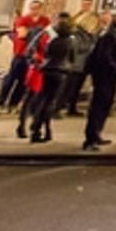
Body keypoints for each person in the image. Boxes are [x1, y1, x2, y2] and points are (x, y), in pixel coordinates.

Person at [83, 8, 116, 151]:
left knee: (105, 106)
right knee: (99, 105)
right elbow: (105, 56)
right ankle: (91, 138)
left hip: (111, 77)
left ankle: (97, 133)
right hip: (104, 77)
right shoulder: (110, 35)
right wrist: (115, 69)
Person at [28, 13, 73, 144]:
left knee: (44, 99)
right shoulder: (69, 42)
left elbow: (46, 54)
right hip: (60, 72)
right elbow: (71, 58)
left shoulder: (53, 41)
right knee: (50, 102)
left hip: (47, 70)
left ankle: (40, 128)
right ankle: (39, 127)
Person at [0, 0, 50, 110]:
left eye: (36, 8)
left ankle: (13, 103)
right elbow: (22, 34)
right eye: (32, 8)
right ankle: (1, 101)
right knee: (11, 77)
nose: (34, 10)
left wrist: (33, 32)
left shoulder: (45, 20)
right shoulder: (23, 19)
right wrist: (37, 32)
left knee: (23, 81)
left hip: (33, 55)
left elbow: (46, 35)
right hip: (21, 52)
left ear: (41, 9)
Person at [63, 0, 100, 116]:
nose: (85, 6)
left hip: (83, 58)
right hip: (73, 56)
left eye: (88, 4)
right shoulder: (76, 16)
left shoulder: (92, 18)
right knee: (70, 83)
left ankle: (71, 105)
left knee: (76, 84)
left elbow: (90, 31)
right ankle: (65, 104)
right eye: (84, 4)